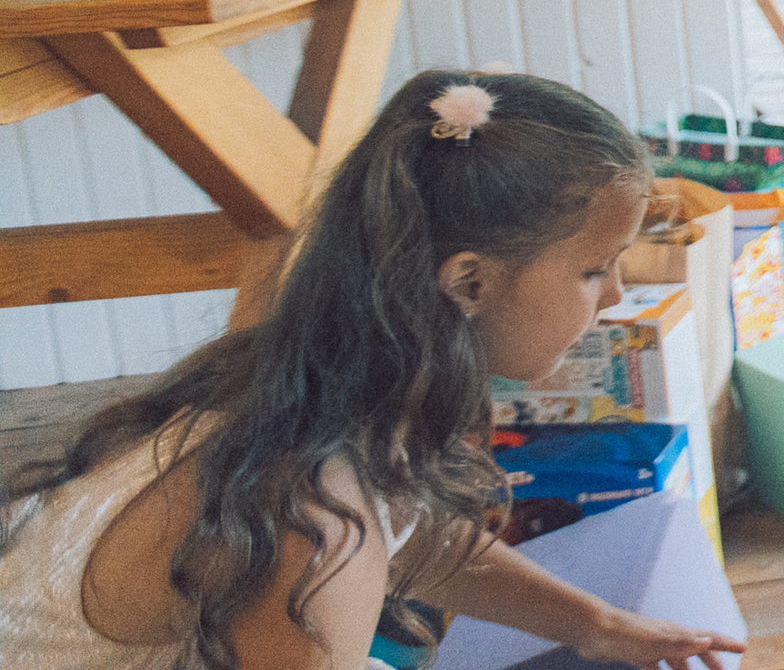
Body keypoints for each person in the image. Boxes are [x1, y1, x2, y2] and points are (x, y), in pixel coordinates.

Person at [0, 70, 745, 670]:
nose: (616, 295)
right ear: (470, 283)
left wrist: (598, 625)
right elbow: (368, 541)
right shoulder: (314, 517)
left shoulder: (322, 392)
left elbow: (418, 537)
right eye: (594, 270)